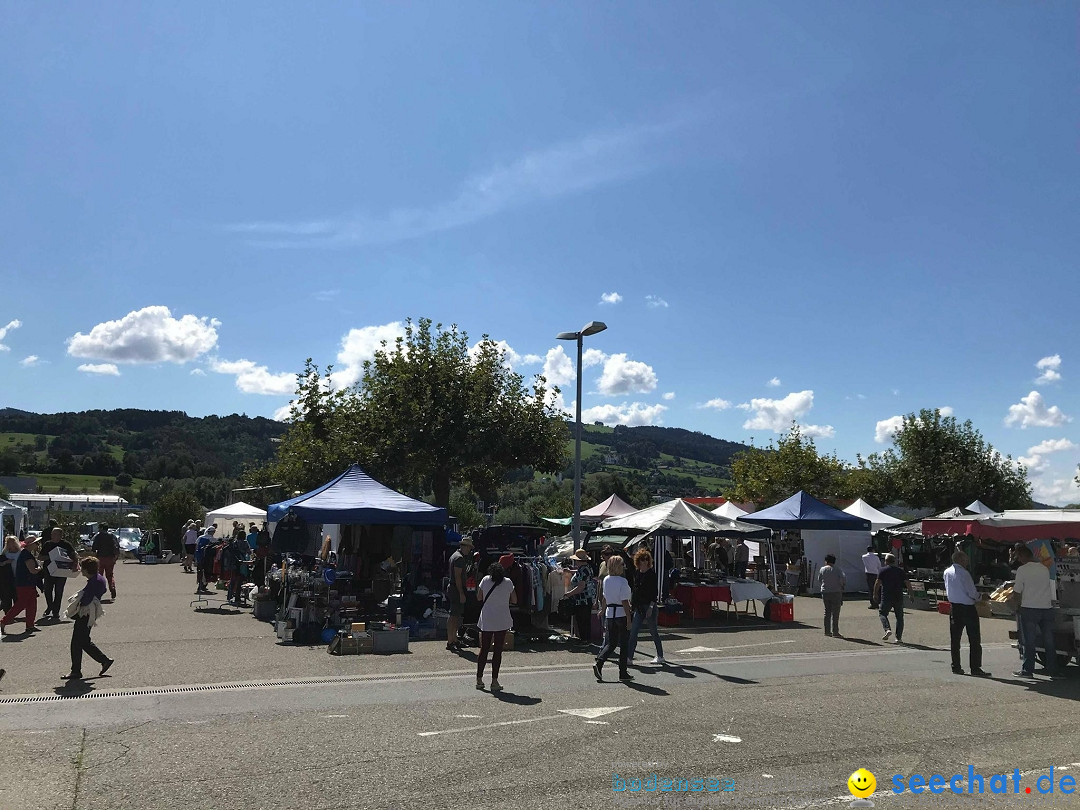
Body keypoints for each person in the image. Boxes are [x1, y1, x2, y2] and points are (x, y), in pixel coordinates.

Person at [63, 556, 113, 681]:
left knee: (77, 642)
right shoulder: (100, 578)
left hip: (85, 613)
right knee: (83, 641)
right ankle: (103, 660)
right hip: (92, 613)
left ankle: (76, 671)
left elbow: (86, 599)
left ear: (86, 570)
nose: (81, 571)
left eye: (82, 568)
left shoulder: (93, 582)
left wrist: (77, 606)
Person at [1013, 545, 1058, 679]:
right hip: (1046, 607)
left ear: (1022, 556)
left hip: (1029, 608)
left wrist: (1017, 606)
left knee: (1029, 641)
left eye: (1018, 557)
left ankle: (1028, 670)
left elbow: (1017, 591)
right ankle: (1053, 669)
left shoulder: (1022, 570)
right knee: (1049, 641)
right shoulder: (1044, 568)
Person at [942, 551, 990, 677]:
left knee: (955, 639)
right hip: (967, 608)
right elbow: (971, 592)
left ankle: (956, 666)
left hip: (954, 607)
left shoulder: (947, 572)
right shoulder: (964, 573)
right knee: (974, 639)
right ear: (961, 560)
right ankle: (975, 667)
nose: (967, 562)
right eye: (966, 560)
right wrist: (980, 597)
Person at [475, 562, 517, 691]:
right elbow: (514, 600)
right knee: (498, 650)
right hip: (502, 619)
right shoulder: (508, 582)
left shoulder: (485, 580)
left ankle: (479, 679)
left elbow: (479, 597)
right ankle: (494, 681)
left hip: (487, 618)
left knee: (484, 649)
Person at [593, 555, 633, 682]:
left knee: (611, 643)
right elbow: (625, 601)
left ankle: (600, 662)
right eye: (622, 564)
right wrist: (629, 619)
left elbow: (605, 598)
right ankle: (623, 672)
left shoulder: (606, 580)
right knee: (624, 644)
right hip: (621, 613)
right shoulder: (622, 581)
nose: (623, 567)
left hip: (610, 614)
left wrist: (603, 610)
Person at [627, 548, 665, 666]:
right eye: (642, 559)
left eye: (646, 559)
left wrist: (651, 607)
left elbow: (654, 593)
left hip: (649, 606)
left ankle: (660, 655)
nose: (644, 562)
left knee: (653, 632)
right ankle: (629, 657)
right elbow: (635, 590)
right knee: (633, 632)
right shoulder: (637, 572)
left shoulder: (651, 573)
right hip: (638, 606)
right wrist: (632, 604)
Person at [0, 535, 42, 637]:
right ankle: (3, 621)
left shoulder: (24, 553)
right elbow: (32, 570)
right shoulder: (26, 555)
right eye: (36, 543)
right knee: (21, 604)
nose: (38, 544)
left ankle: (30, 625)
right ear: (31, 545)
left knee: (31, 605)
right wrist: (40, 568)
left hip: (26, 583)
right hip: (25, 584)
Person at [40, 527, 79, 621]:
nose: (53, 536)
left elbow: (74, 555)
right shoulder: (47, 544)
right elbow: (40, 557)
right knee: (48, 590)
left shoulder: (66, 544)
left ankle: (55, 611)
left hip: (62, 572)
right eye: (53, 534)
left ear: (61, 535)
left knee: (59, 591)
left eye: (56, 534)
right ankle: (50, 606)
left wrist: (75, 564)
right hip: (49, 571)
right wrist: (51, 555)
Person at [873, 553, 910, 645]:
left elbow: (877, 582)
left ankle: (887, 629)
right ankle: (899, 638)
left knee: (882, 613)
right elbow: (907, 583)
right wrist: (911, 594)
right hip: (898, 596)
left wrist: (875, 594)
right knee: (899, 617)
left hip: (886, 596)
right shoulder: (900, 571)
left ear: (886, 561)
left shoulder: (883, 570)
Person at [445, 536, 473, 653]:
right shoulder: (459, 558)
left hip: (453, 588)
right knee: (453, 615)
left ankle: (454, 639)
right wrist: (461, 593)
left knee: (456, 615)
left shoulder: (454, 556)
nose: (470, 550)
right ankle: (450, 640)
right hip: (455, 589)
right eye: (469, 548)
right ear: (464, 546)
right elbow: (457, 577)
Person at [564, 549, 596, 645]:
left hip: (583, 599)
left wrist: (569, 593)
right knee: (585, 619)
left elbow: (581, 587)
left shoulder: (583, 570)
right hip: (587, 598)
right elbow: (580, 574)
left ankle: (584, 640)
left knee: (582, 620)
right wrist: (570, 571)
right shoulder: (586, 567)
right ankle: (586, 639)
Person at [818, 554, 846, 638]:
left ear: (826, 561)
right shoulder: (838, 569)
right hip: (836, 591)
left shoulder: (822, 569)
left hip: (825, 591)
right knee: (836, 612)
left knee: (827, 611)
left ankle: (827, 631)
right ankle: (835, 631)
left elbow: (819, 579)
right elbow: (843, 579)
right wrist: (842, 587)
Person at [91, 524, 120, 600]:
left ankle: (99, 592)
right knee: (110, 575)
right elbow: (117, 546)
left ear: (101, 528)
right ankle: (112, 587)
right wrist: (115, 557)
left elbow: (94, 548)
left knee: (99, 576)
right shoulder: (112, 536)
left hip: (100, 558)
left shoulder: (98, 536)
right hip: (110, 558)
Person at [223, 529, 250, 605]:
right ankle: (237, 597)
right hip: (242, 562)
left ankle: (229, 595)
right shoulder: (245, 542)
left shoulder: (234, 542)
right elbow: (249, 551)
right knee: (240, 580)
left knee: (233, 580)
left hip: (234, 562)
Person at [0, 534, 21, 613]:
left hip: (18, 575)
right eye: (8, 542)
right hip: (8, 577)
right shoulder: (5, 552)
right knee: (7, 595)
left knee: (17, 595)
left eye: (12, 542)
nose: (10, 544)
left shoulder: (20, 552)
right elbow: (1, 563)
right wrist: (6, 562)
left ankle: (15, 611)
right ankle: (7, 612)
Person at [194, 525, 217, 595]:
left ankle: (201, 585)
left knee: (200, 571)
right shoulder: (212, 539)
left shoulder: (200, 537)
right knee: (207, 571)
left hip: (199, 557)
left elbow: (196, 546)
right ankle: (202, 585)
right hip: (207, 558)